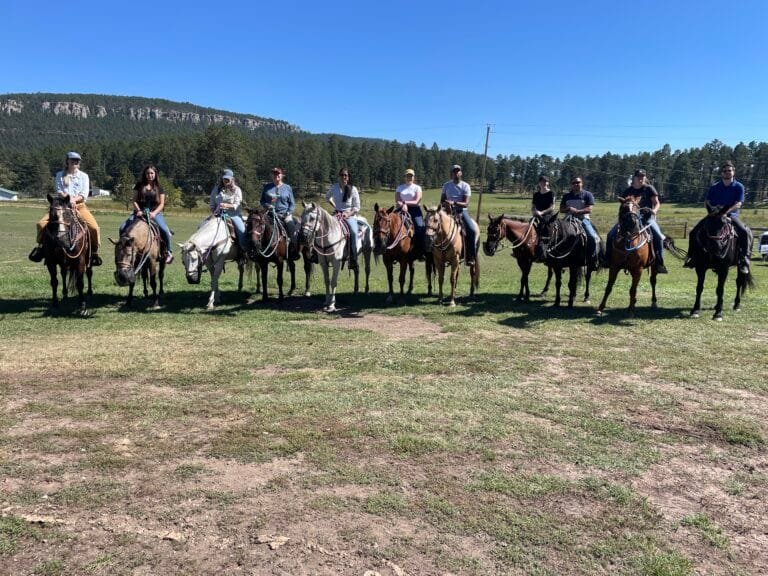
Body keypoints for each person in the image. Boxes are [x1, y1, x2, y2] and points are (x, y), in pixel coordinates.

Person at [29, 151, 101, 266]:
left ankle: (94, 253)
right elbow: (59, 191)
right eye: (72, 160)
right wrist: (68, 199)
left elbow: (84, 194)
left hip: (80, 206)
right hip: (62, 206)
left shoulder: (84, 176)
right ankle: (41, 248)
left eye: (77, 161)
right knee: (41, 224)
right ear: (67, 161)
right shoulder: (60, 175)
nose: (75, 162)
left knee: (95, 228)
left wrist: (74, 200)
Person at [686, 161, 752, 274]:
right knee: (693, 232)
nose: (727, 172)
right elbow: (707, 201)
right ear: (722, 173)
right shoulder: (714, 187)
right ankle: (692, 257)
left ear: (733, 172)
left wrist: (726, 212)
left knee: (744, 232)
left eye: (729, 170)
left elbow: (738, 204)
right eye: (725, 171)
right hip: (714, 215)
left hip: (730, 215)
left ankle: (744, 260)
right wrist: (711, 211)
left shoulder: (739, 186)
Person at [605, 169, 667, 273]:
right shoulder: (628, 191)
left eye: (643, 176)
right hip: (629, 220)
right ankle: (607, 260)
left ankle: (659, 264)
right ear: (634, 178)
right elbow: (623, 205)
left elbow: (657, 203)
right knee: (611, 234)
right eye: (639, 176)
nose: (641, 178)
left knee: (659, 237)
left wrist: (654, 211)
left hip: (647, 219)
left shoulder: (649, 189)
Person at [119, 164, 174, 264]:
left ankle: (169, 252)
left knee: (165, 230)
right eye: (148, 173)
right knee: (122, 227)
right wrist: (138, 211)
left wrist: (154, 213)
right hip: (139, 213)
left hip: (155, 213)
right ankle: (122, 249)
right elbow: (134, 200)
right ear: (145, 174)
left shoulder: (159, 187)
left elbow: (162, 204)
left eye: (152, 173)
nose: (150, 175)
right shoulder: (139, 185)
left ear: (155, 174)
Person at [441, 164, 479, 266]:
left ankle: (470, 256)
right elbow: (442, 201)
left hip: (461, 211)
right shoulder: (446, 185)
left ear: (461, 173)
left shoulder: (465, 186)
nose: (456, 173)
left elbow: (466, 203)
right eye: (454, 171)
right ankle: (433, 254)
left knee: (471, 230)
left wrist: (453, 203)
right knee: (434, 227)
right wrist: (446, 204)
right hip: (447, 211)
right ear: (451, 173)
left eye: (458, 171)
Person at [559, 176, 600, 268]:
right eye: (574, 183)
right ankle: (557, 258)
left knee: (592, 237)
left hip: (583, 219)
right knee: (557, 234)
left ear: (582, 183)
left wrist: (577, 211)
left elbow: (589, 209)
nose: (576, 184)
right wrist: (568, 208)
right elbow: (561, 209)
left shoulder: (587, 194)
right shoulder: (566, 196)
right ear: (571, 185)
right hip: (568, 219)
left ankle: (593, 258)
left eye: (578, 182)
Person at [260, 167, 299, 259]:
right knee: (257, 226)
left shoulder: (287, 188)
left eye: (278, 174)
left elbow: (292, 203)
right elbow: (262, 201)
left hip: (284, 214)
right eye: (274, 174)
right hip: (269, 214)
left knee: (292, 228)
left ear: (282, 175)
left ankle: (294, 250)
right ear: (271, 175)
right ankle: (258, 249)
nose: (276, 175)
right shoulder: (267, 187)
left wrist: (288, 212)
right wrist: (267, 205)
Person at [326, 168, 361, 270]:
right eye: (342, 175)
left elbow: (357, 207)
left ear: (348, 177)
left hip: (349, 215)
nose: (344, 177)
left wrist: (348, 214)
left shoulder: (353, 189)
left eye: (346, 175)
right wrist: (335, 206)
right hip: (336, 214)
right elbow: (327, 197)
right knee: (324, 227)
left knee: (354, 232)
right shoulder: (334, 187)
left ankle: (353, 259)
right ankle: (317, 254)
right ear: (339, 177)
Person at [209, 168, 248, 252]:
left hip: (233, 215)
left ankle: (244, 251)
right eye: (224, 179)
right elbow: (212, 204)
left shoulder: (237, 190)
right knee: (202, 226)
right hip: (217, 215)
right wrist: (214, 212)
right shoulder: (216, 189)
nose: (225, 181)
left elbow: (236, 205)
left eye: (227, 179)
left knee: (242, 231)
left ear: (232, 179)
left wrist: (226, 205)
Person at [395, 168, 425, 259]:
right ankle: (386, 248)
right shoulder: (400, 187)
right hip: (401, 209)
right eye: (408, 175)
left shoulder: (417, 188)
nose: (409, 177)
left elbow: (416, 201)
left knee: (420, 226)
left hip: (414, 210)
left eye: (411, 176)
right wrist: (402, 205)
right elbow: (397, 200)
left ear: (414, 177)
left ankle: (420, 250)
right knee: (390, 223)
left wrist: (405, 203)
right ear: (405, 177)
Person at [531, 175, 557, 260]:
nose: (543, 183)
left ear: (548, 183)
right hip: (537, 217)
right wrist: (534, 211)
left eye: (545, 181)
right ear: (539, 183)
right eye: (542, 181)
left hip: (548, 218)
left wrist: (541, 212)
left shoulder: (551, 193)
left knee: (544, 232)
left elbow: (552, 207)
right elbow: (533, 206)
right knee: (527, 229)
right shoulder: (536, 194)